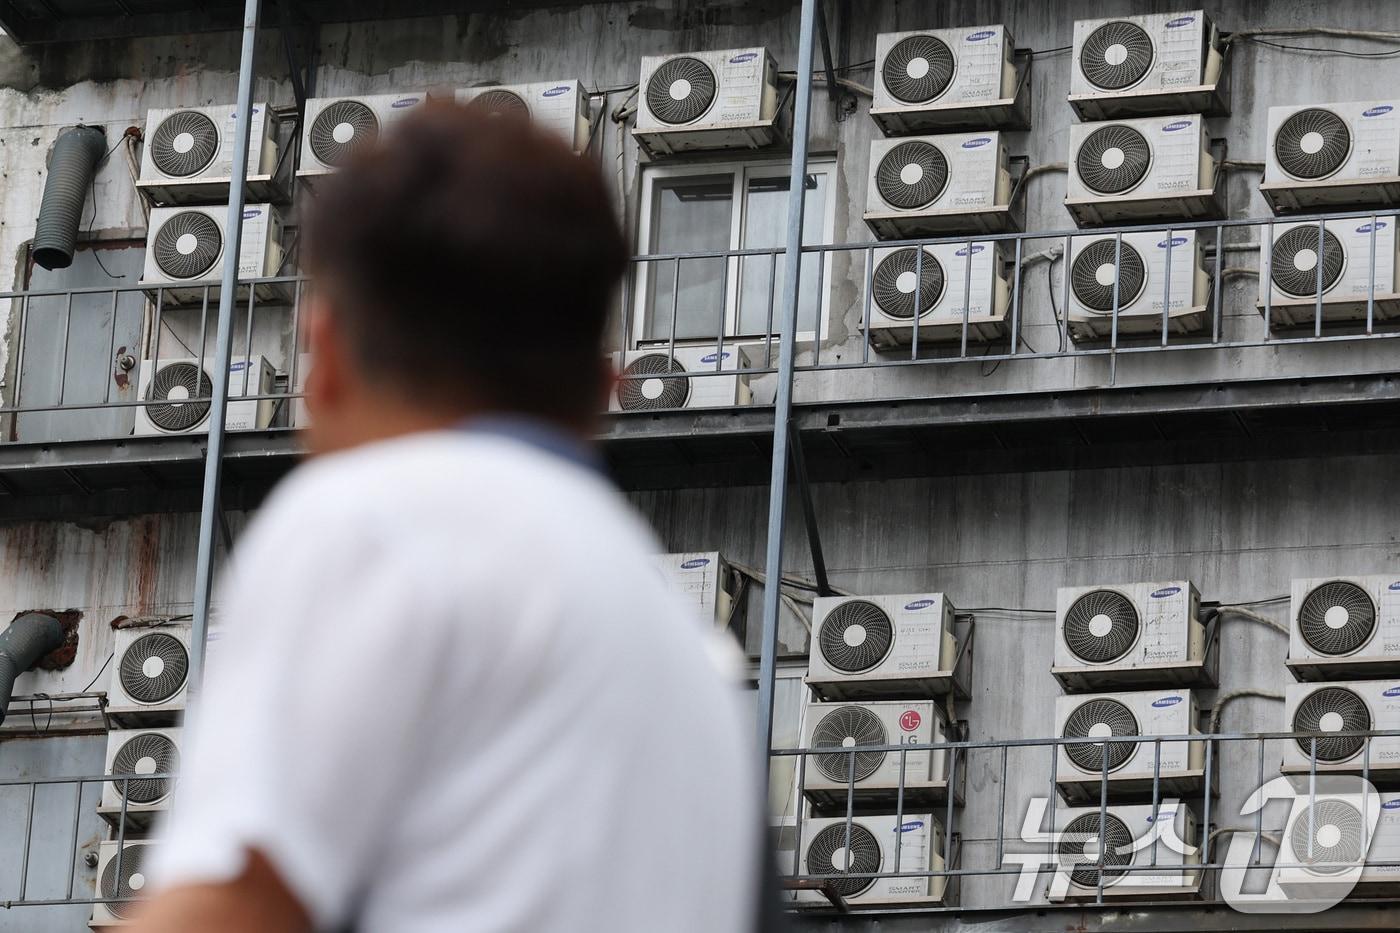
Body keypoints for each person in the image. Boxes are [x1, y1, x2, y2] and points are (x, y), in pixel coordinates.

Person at [134, 102, 763, 932]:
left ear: (325, 353)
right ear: (602, 385)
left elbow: (228, 913)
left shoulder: (376, 520)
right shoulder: (684, 645)